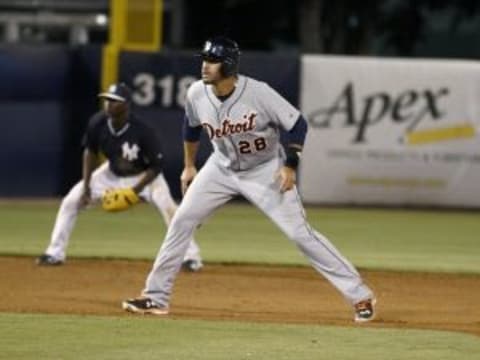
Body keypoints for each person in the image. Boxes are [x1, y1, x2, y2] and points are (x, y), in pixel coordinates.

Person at [122, 36, 375, 321]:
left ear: (228, 65)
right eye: (205, 59)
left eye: (213, 61)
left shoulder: (258, 93)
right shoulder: (196, 93)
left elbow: (297, 124)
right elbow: (191, 128)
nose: (205, 66)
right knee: (181, 220)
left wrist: (290, 165)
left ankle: (360, 295)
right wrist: (189, 166)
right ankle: (155, 297)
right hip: (221, 167)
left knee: (299, 234)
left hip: (265, 168)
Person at [36, 83, 203, 272]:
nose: (109, 104)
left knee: (171, 210)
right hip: (111, 173)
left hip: (145, 176)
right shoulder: (97, 123)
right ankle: (54, 253)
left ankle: (191, 257)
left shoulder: (143, 131)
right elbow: (90, 153)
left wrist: (134, 191)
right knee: (71, 201)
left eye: (114, 101)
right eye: (107, 100)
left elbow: (156, 166)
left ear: (126, 105)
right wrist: (87, 186)